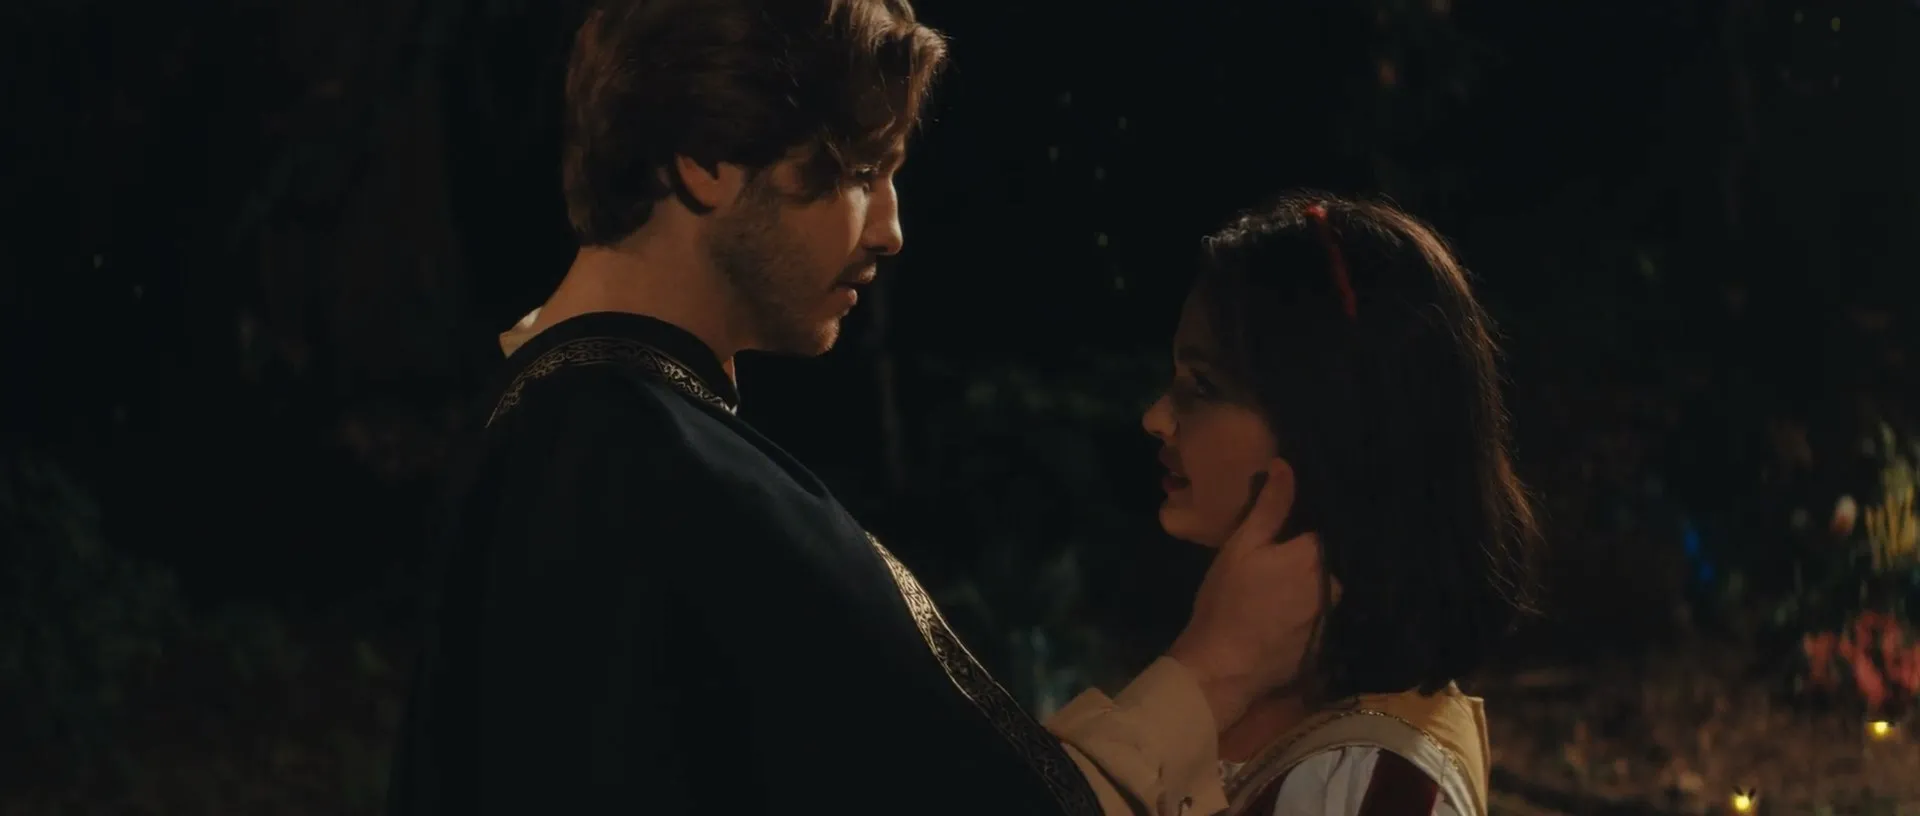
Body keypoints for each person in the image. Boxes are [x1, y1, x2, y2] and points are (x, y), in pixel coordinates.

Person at [385, 2, 1316, 814]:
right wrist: (1218, 663)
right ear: (706, 160)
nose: (891, 228)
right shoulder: (664, 472)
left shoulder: (548, 430)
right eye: (862, 171)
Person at [1079, 192, 1542, 816]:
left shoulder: (1367, 782)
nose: (1157, 418)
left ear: (1332, 431)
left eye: (1202, 386)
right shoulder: (1272, 721)